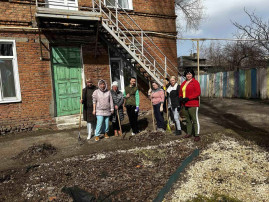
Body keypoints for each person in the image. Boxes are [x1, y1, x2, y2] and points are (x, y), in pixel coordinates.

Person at [179, 68, 201, 142]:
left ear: (192, 75)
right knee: (187, 120)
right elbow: (180, 92)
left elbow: (198, 93)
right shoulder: (183, 83)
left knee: (195, 120)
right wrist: (180, 98)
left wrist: (188, 98)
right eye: (187, 74)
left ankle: (197, 135)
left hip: (193, 104)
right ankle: (189, 133)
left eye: (190, 74)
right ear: (185, 75)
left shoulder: (195, 82)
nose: (188, 75)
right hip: (185, 104)